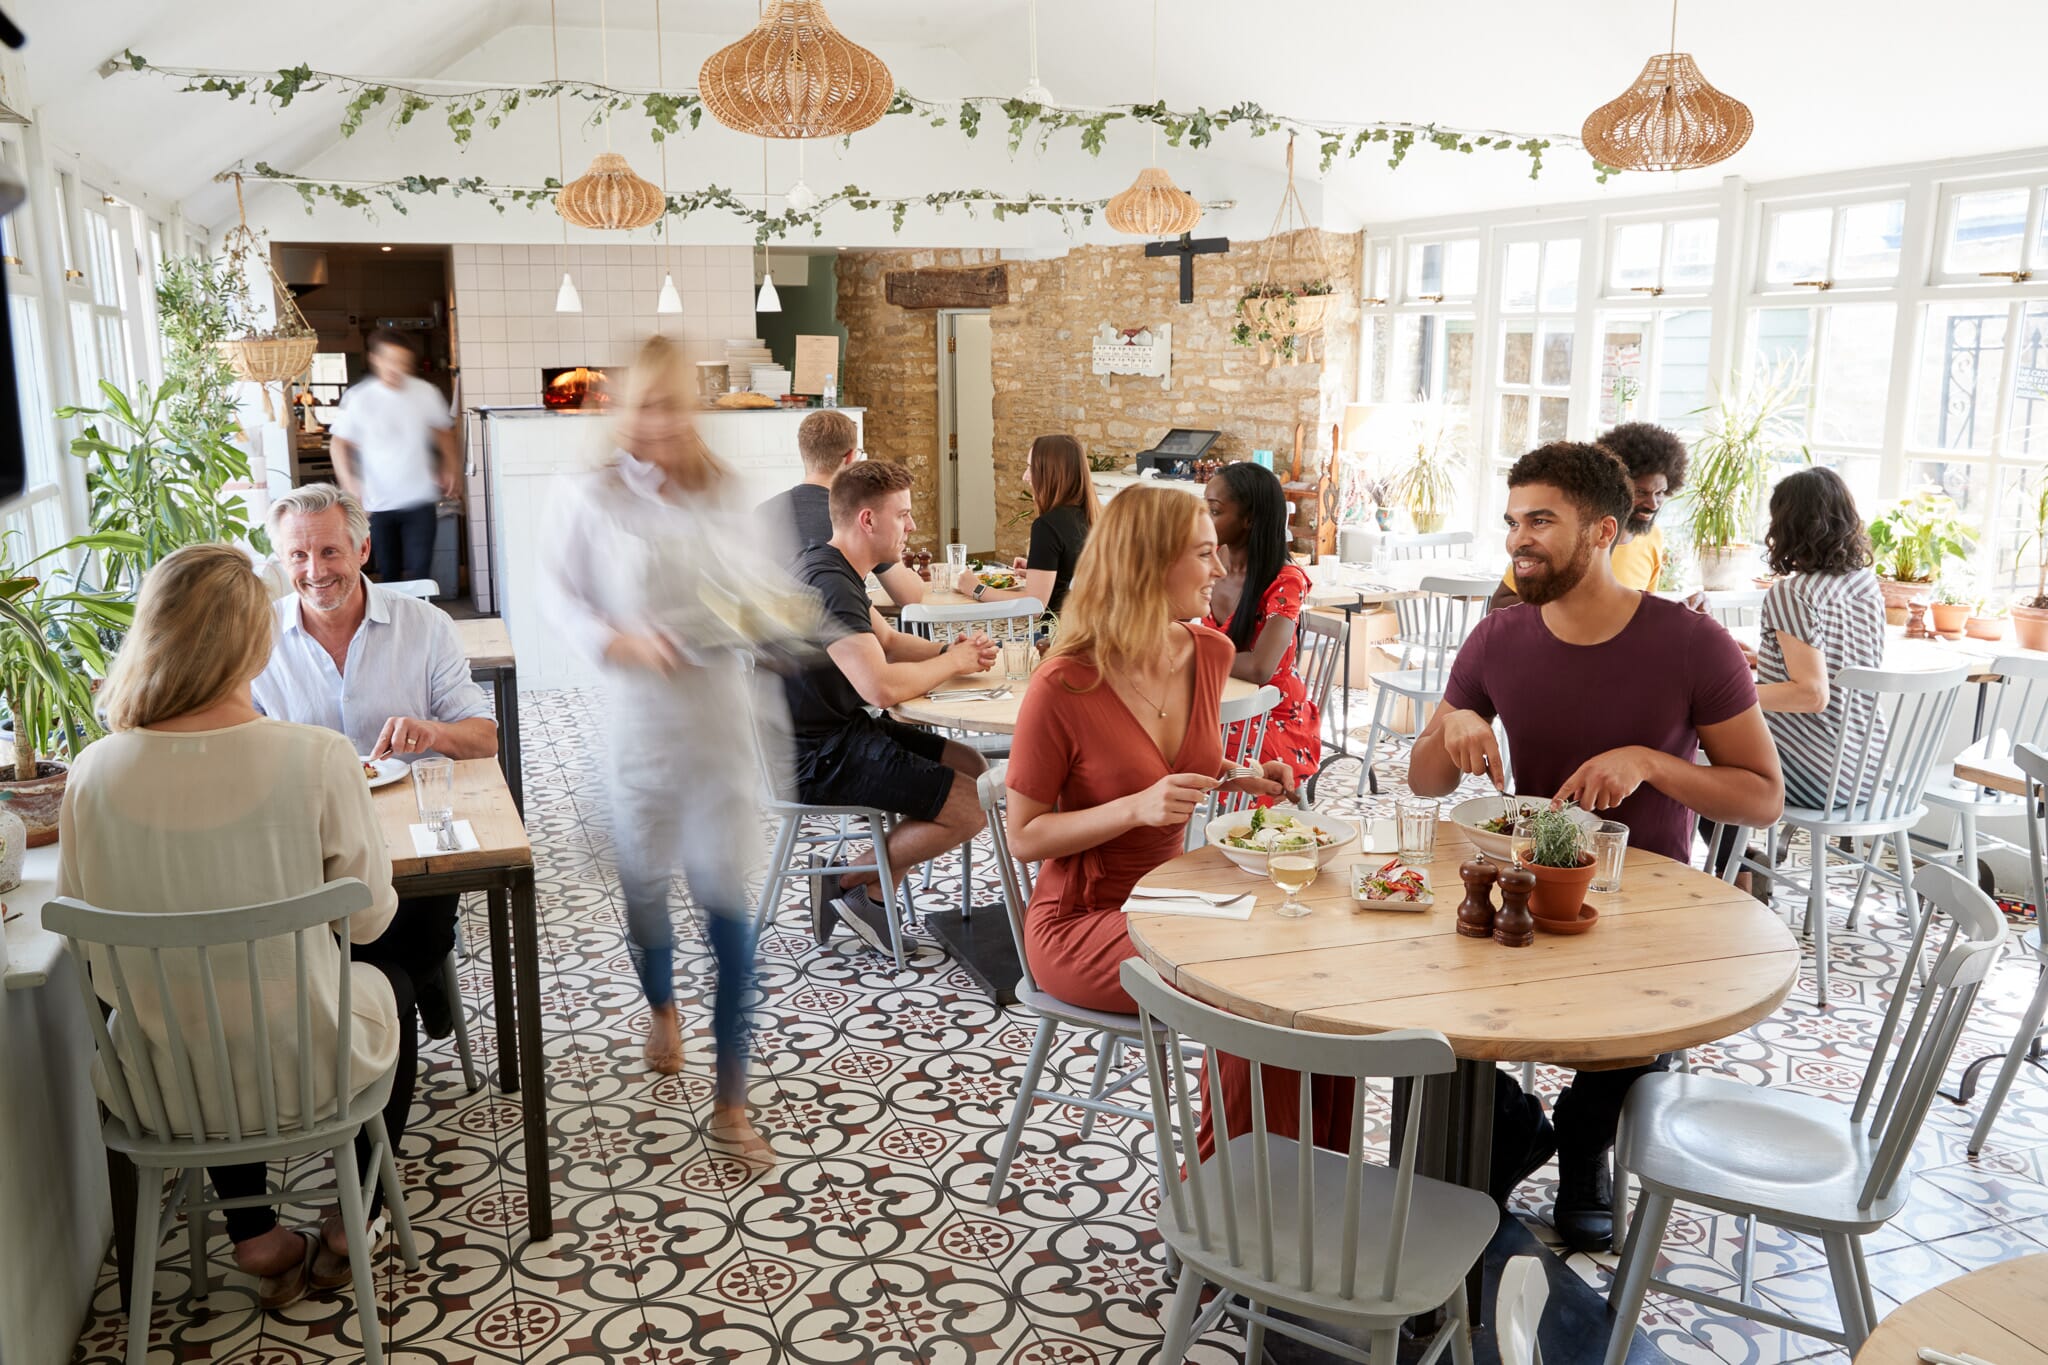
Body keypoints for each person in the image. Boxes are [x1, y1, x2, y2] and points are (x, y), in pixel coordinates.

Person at [1408, 440, 1784, 1252]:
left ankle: (1585, 1143)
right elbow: (1424, 782)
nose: (1519, 539)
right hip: (1513, 890)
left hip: (1641, 903)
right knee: (1421, 1022)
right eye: (1512, 521)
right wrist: (1454, 722)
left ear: (1602, 530)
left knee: (1631, 1037)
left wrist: (1652, 761)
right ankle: (1506, 1129)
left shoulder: (1691, 643)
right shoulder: (1497, 638)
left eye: (1541, 520)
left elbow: (1763, 794)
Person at [59, 544, 411, 1309]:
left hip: (162, 1088)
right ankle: (352, 1228)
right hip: (310, 1069)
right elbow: (374, 917)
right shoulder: (316, 758)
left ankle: (255, 1236)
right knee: (394, 989)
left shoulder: (92, 771)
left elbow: (92, 956)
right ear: (255, 641)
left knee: (195, 1011)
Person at [1003, 485, 1300, 1152]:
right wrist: (1133, 808)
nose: (1221, 569)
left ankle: (1296, 1183)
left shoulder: (1212, 654)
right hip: (1081, 919)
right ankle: (1222, 1200)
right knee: (1241, 980)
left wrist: (1238, 775)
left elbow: (1180, 759)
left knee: (1296, 964)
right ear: (1148, 564)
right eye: (1203, 553)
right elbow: (1024, 835)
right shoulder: (1064, 684)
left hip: (1175, 901)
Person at [544, 336, 776, 1155]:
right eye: (649, 404)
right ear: (625, 410)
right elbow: (561, 597)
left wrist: (767, 618)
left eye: (677, 404)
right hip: (640, 725)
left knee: (728, 909)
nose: (663, 420)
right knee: (646, 893)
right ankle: (661, 1004)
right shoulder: (593, 497)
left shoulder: (724, 491)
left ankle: (732, 1100)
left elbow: (755, 591)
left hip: (716, 727)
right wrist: (617, 640)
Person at [251, 482, 498, 1042]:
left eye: (330, 551)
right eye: (298, 555)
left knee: (404, 950)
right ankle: (399, 1001)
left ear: (363, 551)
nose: (315, 570)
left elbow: (484, 737)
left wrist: (431, 729)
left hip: (409, 843)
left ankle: (395, 1003)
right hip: (305, 846)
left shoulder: (425, 626)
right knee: (322, 956)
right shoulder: (259, 635)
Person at [781, 459, 998, 950]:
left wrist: (951, 654)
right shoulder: (831, 585)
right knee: (971, 810)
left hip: (837, 733)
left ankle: (872, 889)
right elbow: (877, 688)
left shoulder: (833, 564)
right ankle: (849, 883)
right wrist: (953, 662)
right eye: (903, 514)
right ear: (868, 520)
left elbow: (891, 641)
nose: (912, 526)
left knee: (972, 766)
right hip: (815, 757)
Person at [1708, 466, 1887, 878]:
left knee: (1694, 764)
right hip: (1866, 769)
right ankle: (1742, 866)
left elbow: (1811, 694)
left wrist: (1732, 694)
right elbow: (1834, 663)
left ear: (1786, 524)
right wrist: (1760, 660)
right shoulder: (1863, 582)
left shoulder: (1794, 592)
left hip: (1820, 778)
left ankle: (1739, 870)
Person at [1202, 461, 1319, 790]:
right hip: (1220, 703)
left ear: (1249, 519)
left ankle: (1227, 834)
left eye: (1214, 511)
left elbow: (1259, 668)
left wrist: (1188, 652)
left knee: (1190, 752)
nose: (1203, 520)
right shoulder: (1213, 562)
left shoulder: (1285, 581)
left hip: (1272, 716)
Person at [1490, 421, 1689, 610]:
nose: (1653, 504)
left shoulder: (1653, 538)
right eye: (1641, 493)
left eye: (1660, 493)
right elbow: (1501, 602)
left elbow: (1639, 612)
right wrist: (1577, 609)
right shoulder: (1571, 537)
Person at [759, 408, 926, 605]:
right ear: (849, 458)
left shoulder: (763, 512)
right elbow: (909, 596)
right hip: (840, 627)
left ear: (804, 453)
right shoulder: (850, 517)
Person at [328, 329, 458, 584]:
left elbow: (443, 432)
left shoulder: (425, 392)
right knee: (388, 574)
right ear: (375, 359)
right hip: (378, 504)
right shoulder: (359, 398)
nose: (396, 368)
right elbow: (338, 444)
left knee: (421, 574)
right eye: (390, 360)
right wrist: (349, 483)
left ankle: (422, 622)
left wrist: (450, 465)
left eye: (403, 362)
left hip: (419, 499)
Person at [949, 434, 1096, 614]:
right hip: (1087, 628)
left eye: (1030, 467)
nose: (1025, 477)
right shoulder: (1092, 516)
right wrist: (1040, 571)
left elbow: (1034, 605)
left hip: (1054, 635)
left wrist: (976, 589)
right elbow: (1075, 574)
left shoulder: (1047, 526)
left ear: (1050, 473)